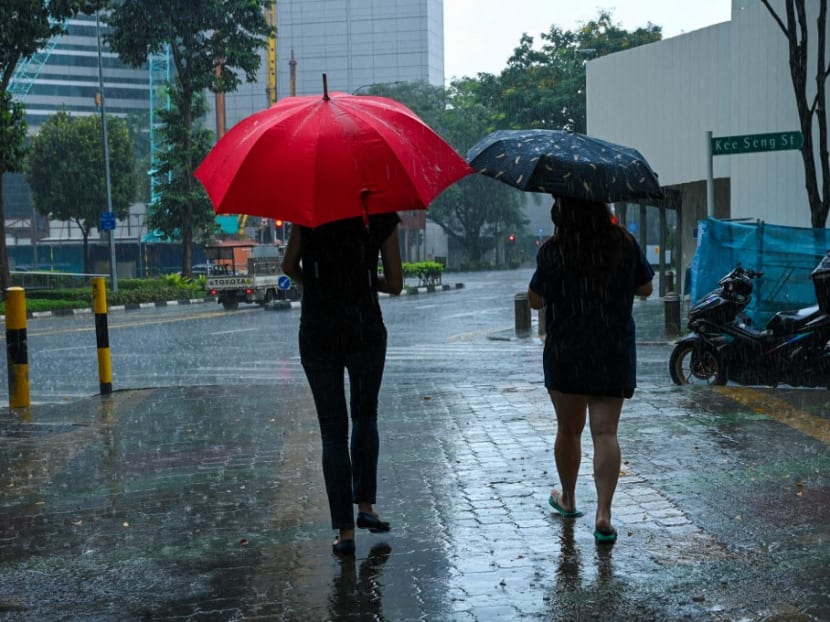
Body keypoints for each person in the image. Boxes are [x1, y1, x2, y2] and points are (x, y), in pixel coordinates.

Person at [527, 196, 654, 544]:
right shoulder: (623, 243)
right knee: (606, 433)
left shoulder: (555, 248)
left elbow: (535, 299)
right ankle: (604, 513)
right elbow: (646, 287)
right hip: (611, 350)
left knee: (569, 431)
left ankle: (568, 498)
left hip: (567, 350)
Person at [282, 212, 403, 556]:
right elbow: (395, 284)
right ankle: (365, 505)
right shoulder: (381, 214)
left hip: (318, 330)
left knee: (332, 432)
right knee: (365, 416)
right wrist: (364, 278)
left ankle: (345, 531)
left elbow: (289, 267)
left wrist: (320, 282)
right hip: (364, 327)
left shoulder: (308, 212)